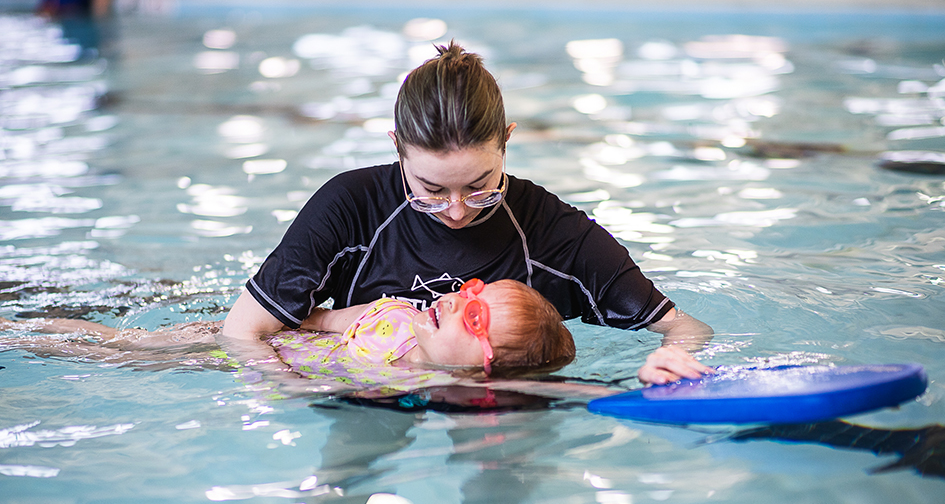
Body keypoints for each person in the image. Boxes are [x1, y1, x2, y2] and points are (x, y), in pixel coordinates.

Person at [222, 42, 713, 386]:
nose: (455, 211)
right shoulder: (350, 207)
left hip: (495, 404)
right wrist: (312, 391)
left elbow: (684, 327)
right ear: (398, 150)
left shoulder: (554, 236)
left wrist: (670, 361)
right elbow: (243, 333)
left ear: (506, 141)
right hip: (360, 392)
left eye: (480, 187)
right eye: (430, 190)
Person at [0, 279, 575, 382]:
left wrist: (269, 372)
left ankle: (22, 337)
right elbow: (320, 320)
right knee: (119, 345)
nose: (453, 300)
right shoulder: (397, 312)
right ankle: (20, 332)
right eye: (470, 290)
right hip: (235, 343)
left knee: (116, 354)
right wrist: (252, 343)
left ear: (483, 369)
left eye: (472, 317)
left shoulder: (404, 383)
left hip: (236, 360)